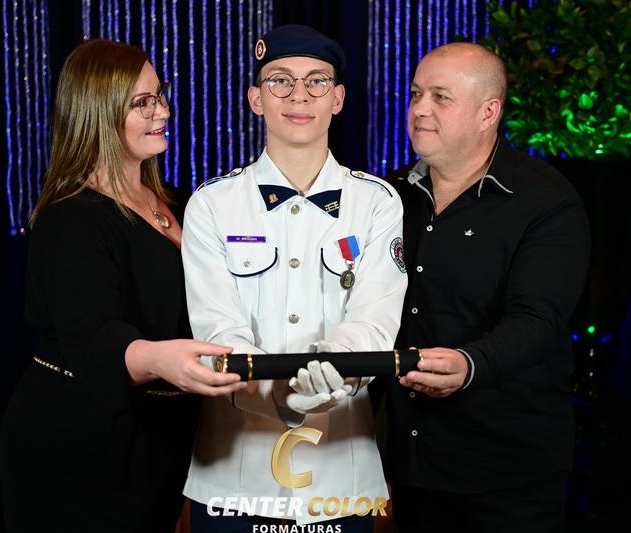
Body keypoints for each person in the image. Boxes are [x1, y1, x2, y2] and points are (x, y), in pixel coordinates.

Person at [0, 39, 245, 533]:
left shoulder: (180, 203)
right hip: (83, 444)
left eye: (160, 95)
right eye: (142, 103)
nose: (163, 112)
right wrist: (161, 359)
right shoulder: (71, 218)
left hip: (161, 437)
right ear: (97, 113)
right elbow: (93, 338)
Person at [181, 25, 408, 532]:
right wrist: (278, 394)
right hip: (233, 479)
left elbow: (375, 320)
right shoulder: (212, 204)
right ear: (256, 99)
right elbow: (217, 329)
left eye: (317, 81)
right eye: (280, 80)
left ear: (338, 99)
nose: (299, 95)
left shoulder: (377, 203)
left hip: (341, 480)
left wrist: (333, 379)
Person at [381, 42, 591, 532]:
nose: (419, 109)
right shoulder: (389, 197)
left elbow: (538, 320)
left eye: (440, 97)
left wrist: (470, 364)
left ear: (488, 112)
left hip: (504, 470)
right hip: (407, 462)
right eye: (415, 94)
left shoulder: (546, 202)